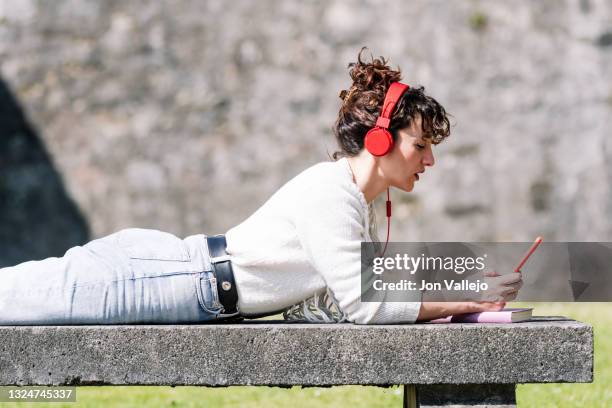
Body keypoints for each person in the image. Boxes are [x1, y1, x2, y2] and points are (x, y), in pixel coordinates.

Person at [0, 49, 522, 325]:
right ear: (380, 141)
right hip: (168, 280)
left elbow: (350, 298)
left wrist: (467, 287)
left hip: (186, 282)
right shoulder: (331, 195)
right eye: (420, 145)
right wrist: (465, 298)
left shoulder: (351, 201)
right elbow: (367, 307)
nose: (430, 159)